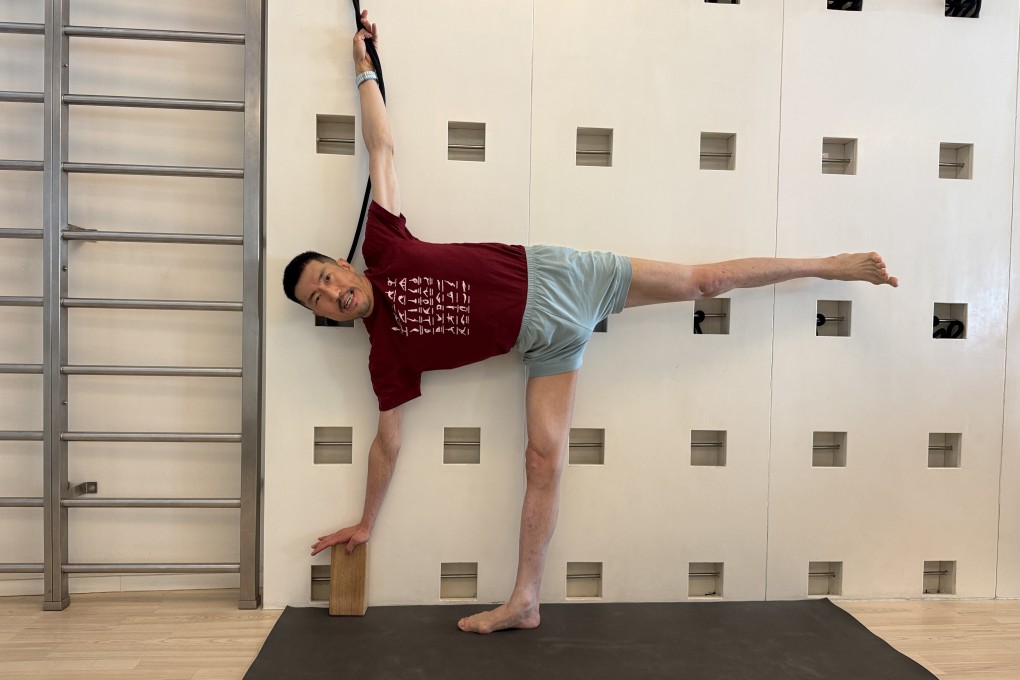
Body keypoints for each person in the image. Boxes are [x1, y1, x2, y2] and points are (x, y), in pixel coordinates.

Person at [284, 12, 899, 635]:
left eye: (327, 278)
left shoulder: (384, 245)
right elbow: (388, 443)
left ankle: (831, 265)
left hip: (562, 277)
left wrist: (364, 67)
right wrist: (364, 522)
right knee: (542, 461)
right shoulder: (385, 353)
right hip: (546, 342)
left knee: (702, 282)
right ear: (323, 316)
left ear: (342, 263)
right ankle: (525, 601)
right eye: (318, 300)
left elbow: (382, 148)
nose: (332, 294)